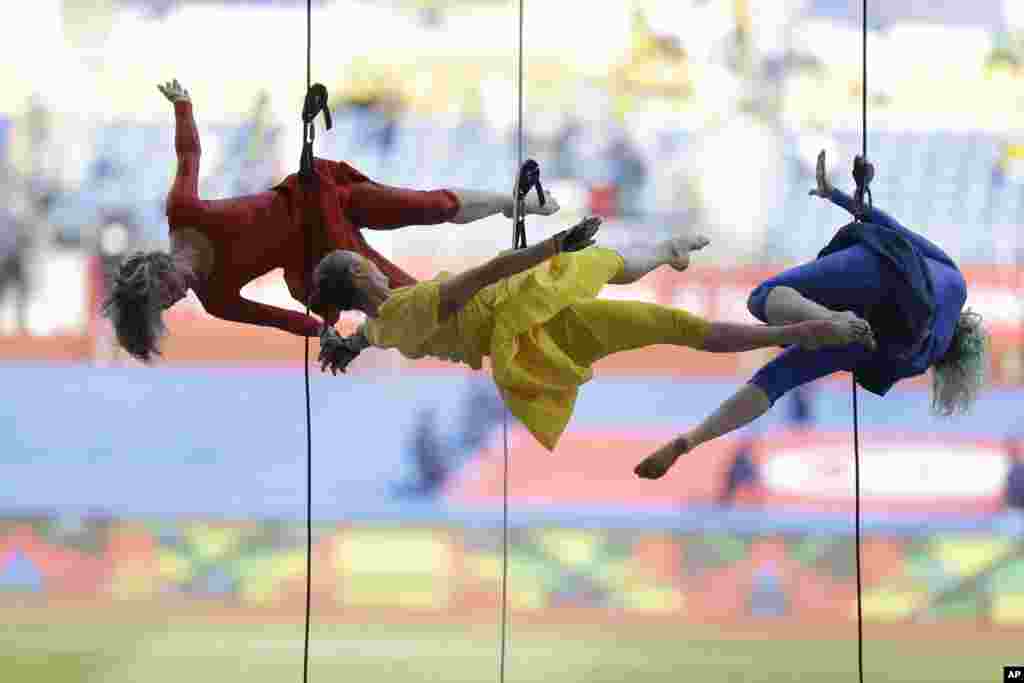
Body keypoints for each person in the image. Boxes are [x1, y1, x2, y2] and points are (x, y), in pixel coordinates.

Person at [311, 216, 871, 451]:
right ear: (360, 273)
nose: (373, 263)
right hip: (527, 310)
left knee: (671, 327)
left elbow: (368, 337)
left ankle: (799, 331)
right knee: (604, 261)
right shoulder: (409, 305)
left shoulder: (383, 328)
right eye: (362, 260)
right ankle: (671, 258)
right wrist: (556, 245)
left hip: (534, 342)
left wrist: (344, 344)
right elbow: (488, 273)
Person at [102, 78, 560, 362]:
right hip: (321, 254)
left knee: (426, 206)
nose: (176, 298)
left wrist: (182, 105)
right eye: (167, 307)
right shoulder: (217, 299)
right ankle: (503, 319)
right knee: (404, 298)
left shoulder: (183, 212)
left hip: (317, 194)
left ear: (157, 270)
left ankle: (509, 202)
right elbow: (281, 320)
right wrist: (323, 333)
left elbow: (188, 156)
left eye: (164, 295)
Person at [635, 150, 989, 479]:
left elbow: (896, 231)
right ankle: (691, 440)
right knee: (778, 370)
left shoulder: (955, 280)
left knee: (764, 298)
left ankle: (824, 317)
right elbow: (777, 379)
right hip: (887, 336)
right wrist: (692, 440)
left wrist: (836, 196)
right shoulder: (913, 361)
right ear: (947, 363)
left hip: (887, 266)